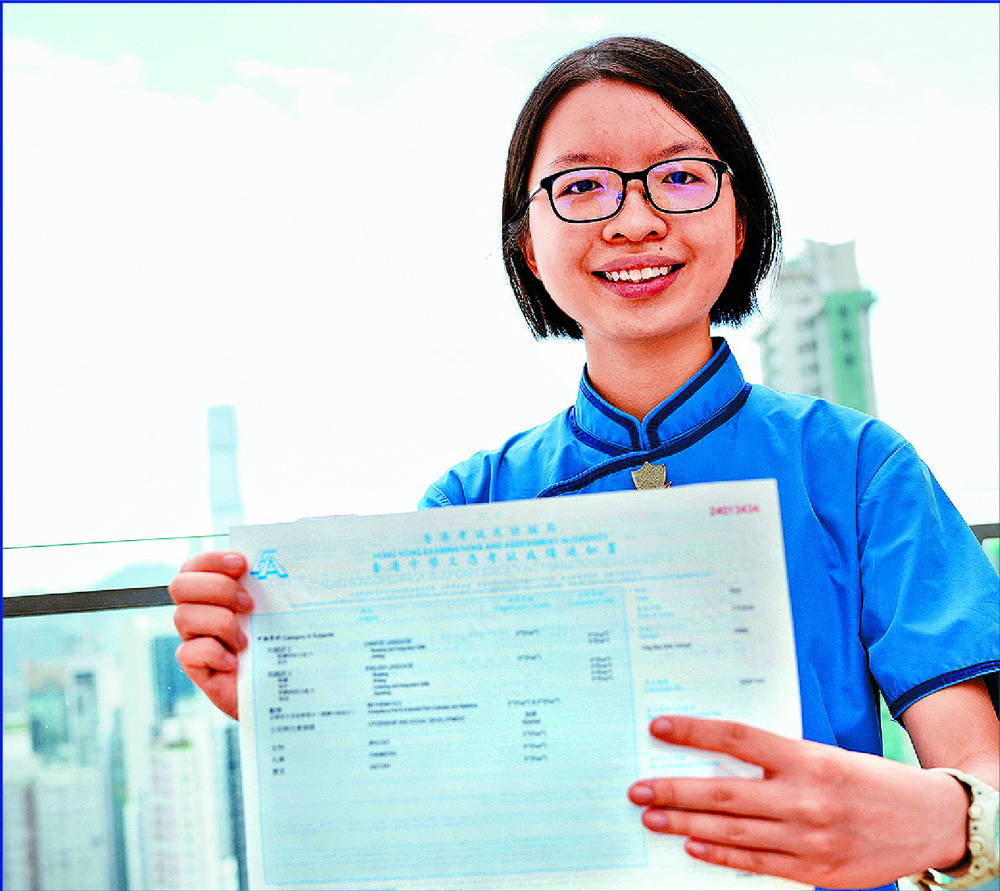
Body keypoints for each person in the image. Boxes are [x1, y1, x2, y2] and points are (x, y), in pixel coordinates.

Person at [170, 36, 999, 891]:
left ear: (741, 217)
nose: (634, 219)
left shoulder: (858, 469)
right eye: (582, 187)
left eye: (680, 177)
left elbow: (977, 769)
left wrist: (945, 821)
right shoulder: (470, 502)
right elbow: (436, 788)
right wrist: (291, 702)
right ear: (528, 244)